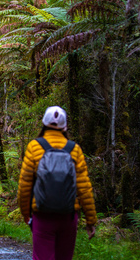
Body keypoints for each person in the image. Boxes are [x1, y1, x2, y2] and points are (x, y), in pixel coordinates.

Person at [18, 106, 97, 260]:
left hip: (42, 215)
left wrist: (25, 213)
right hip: (68, 217)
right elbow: (84, 188)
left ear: (43, 124)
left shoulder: (34, 147)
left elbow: (25, 184)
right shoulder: (74, 149)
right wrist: (90, 219)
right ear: (64, 126)